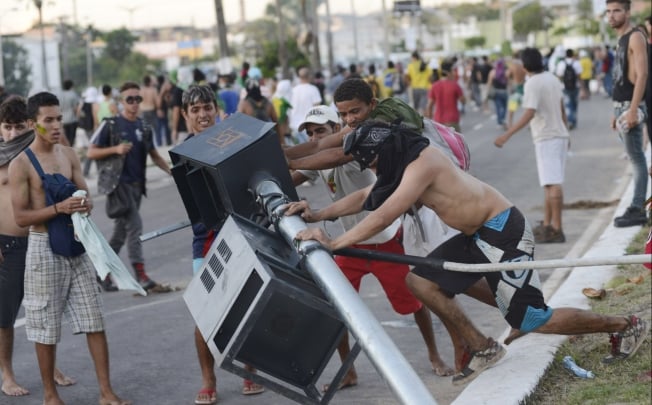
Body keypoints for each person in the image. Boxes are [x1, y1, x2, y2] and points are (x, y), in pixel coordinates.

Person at [285, 118, 648, 387]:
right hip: (476, 235)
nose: (374, 170)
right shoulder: (400, 162)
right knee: (421, 281)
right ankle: (482, 346)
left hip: (503, 231)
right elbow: (366, 197)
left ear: (384, 151)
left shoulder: (422, 163)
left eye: (373, 162)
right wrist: (317, 213)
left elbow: (383, 214)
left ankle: (625, 324)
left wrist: (333, 243)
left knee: (532, 319)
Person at [291, 105, 454, 389]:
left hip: (385, 242)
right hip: (346, 248)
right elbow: (300, 173)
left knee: (415, 303)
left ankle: (434, 354)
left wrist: (289, 156)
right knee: (337, 309)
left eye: (321, 132)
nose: (316, 138)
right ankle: (348, 371)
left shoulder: (354, 153)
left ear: (337, 132)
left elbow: (327, 155)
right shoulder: (322, 162)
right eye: (311, 133)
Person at [8, 91, 130, 405]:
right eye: (48, 120)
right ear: (34, 124)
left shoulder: (69, 154)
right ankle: (51, 396)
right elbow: (21, 217)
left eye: (59, 118)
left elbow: (86, 196)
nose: (56, 125)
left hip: (76, 244)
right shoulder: (21, 164)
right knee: (45, 325)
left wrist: (84, 204)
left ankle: (106, 392)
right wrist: (58, 209)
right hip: (42, 246)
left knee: (95, 320)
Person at [180, 85, 264, 404]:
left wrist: (235, 135)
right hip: (207, 242)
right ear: (186, 115)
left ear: (215, 109)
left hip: (243, 234)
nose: (203, 115)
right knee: (206, 316)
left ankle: (249, 370)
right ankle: (208, 377)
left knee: (248, 305)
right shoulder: (185, 153)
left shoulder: (231, 139)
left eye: (207, 108)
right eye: (196, 110)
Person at [0, 96, 77, 397]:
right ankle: (6, 373)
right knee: (5, 316)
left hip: (40, 239)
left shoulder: (38, 154)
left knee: (45, 311)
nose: (13, 133)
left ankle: (50, 368)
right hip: (7, 244)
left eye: (19, 126)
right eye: (7, 127)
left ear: (29, 126)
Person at [86, 81, 171, 292]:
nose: (134, 103)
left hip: (136, 187)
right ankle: (141, 275)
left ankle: (101, 274)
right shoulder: (111, 124)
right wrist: (115, 149)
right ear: (121, 102)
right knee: (135, 227)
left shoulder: (143, 126)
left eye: (137, 99)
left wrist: (173, 171)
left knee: (119, 235)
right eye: (129, 99)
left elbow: (154, 155)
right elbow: (91, 152)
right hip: (119, 186)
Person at [495, 48, 570, 244]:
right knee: (549, 183)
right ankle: (548, 224)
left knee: (553, 184)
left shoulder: (532, 84)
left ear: (525, 65)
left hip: (547, 136)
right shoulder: (552, 78)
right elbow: (561, 107)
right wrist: (566, 130)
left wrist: (507, 134)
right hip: (558, 134)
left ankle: (557, 229)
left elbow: (529, 113)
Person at [606, 0, 649, 227]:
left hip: (631, 106)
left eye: (617, 11)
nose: (611, 16)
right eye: (609, 12)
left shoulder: (635, 37)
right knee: (633, 158)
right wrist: (616, 110)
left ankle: (637, 208)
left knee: (636, 159)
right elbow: (620, 76)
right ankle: (636, 205)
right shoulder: (620, 39)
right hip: (621, 106)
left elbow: (642, 75)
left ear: (628, 12)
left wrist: (632, 109)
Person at [426, 61, 466, 132]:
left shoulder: (434, 86)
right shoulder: (455, 85)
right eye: (453, 71)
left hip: (438, 121)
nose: (454, 73)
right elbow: (463, 100)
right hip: (452, 121)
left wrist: (429, 121)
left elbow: (429, 105)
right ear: (449, 72)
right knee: (456, 142)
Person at [289, 67, 323, 143]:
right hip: (308, 126)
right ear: (309, 76)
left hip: (294, 126)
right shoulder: (313, 89)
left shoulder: (293, 90)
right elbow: (317, 108)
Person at [554, 49, 582, 130]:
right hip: (575, 86)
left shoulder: (561, 64)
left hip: (564, 87)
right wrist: (582, 87)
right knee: (574, 104)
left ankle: (570, 120)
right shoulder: (576, 63)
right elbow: (579, 75)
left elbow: (559, 76)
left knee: (568, 104)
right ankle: (573, 121)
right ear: (572, 54)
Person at [405, 51, 431, 115]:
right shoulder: (424, 64)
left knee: (415, 107)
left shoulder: (410, 65)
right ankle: (425, 121)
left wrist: (409, 83)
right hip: (425, 87)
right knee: (424, 107)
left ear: (414, 57)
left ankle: (417, 121)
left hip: (415, 88)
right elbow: (430, 76)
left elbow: (407, 76)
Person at [487, 57, 509, 129]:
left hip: (496, 92)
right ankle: (502, 119)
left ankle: (499, 122)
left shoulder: (493, 72)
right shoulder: (505, 71)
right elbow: (508, 82)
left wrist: (488, 90)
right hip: (504, 91)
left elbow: (489, 82)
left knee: (498, 107)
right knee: (504, 107)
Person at [506, 52, 527, 128]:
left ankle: (510, 123)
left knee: (512, 107)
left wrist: (510, 82)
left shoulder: (512, 66)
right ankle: (529, 124)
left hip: (515, 86)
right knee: (526, 106)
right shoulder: (523, 65)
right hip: (523, 86)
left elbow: (507, 75)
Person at [59, 79, 80, 147]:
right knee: (71, 139)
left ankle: (66, 150)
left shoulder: (60, 95)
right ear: (71, 86)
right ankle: (70, 150)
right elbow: (75, 108)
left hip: (63, 120)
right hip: (72, 119)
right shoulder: (73, 94)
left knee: (65, 137)